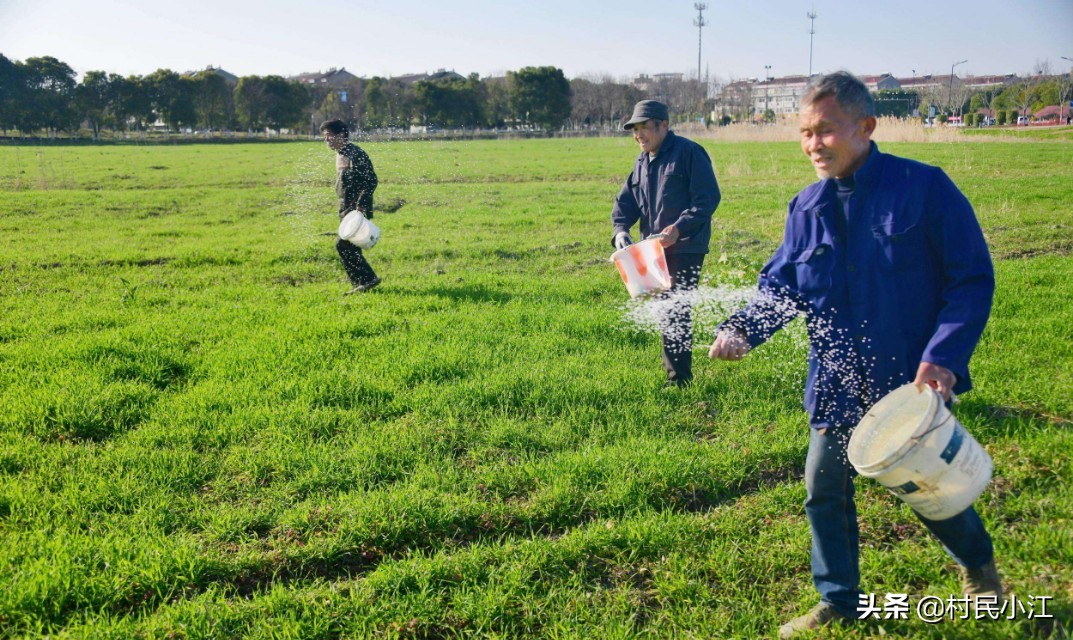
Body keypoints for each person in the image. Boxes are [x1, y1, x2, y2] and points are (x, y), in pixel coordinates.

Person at [707, 72, 1000, 637]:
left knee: (928, 489)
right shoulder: (806, 206)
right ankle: (839, 599)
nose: (814, 144)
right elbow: (783, 285)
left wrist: (943, 357)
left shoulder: (924, 188)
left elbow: (971, 281)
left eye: (826, 131)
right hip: (836, 381)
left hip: (908, 387)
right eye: (805, 133)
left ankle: (979, 568)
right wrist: (744, 328)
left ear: (865, 127)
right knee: (824, 491)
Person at [611, 100, 721, 388]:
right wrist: (620, 230)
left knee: (675, 309)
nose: (638, 135)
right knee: (665, 308)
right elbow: (626, 203)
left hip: (686, 245)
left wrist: (678, 229)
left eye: (644, 127)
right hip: (653, 249)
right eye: (634, 130)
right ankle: (674, 371)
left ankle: (679, 380)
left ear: (663, 125)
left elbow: (707, 199)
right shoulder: (642, 162)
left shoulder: (689, 153)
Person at [320, 119, 381, 294]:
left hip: (356, 210)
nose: (327, 140)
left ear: (341, 135)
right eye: (325, 136)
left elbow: (371, 180)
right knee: (350, 247)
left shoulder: (355, 153)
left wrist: (360, 205)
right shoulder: (340, 154)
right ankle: (363, 283)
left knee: (343, 246)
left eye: (329, 135)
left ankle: (367, 280)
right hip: (346, 210)